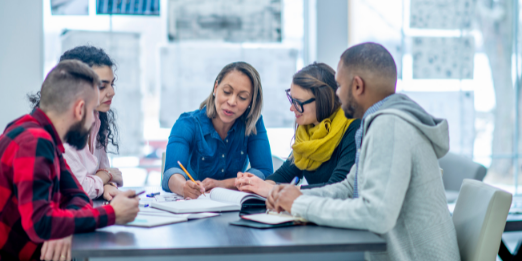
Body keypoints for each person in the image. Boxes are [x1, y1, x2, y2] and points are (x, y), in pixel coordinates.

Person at [267, 42, 461, 261]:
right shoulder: (381, 121)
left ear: (357, 86)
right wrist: (294, 196)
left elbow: (377, 215)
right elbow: (351, 186)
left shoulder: (390, 126)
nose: (336, 95)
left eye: (339, 86)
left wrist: (300, 204)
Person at [0, 60, 139, 261]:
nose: (95, 121)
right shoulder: (34, 142)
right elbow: (41, 224)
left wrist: (63, 225)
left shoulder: (43, 138)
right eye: (93, 111)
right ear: (79, 110)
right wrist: (112, 213)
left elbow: (78, 195)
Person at [235, 62, 360, 197]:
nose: (292, 108)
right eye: (291, 100)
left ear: (323, 100)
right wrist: (257, 184)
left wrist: (274, 190)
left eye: (298, 103)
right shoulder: (307, 129)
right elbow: (286, 173)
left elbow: (338, 188)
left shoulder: (353, 128)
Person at [162, 62, 273, 199]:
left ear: (250, 102)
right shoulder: (187, 124)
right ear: (215, 88)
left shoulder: (253, 123)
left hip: (234, 207)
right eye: (227, 92)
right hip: (195, 206)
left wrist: (224, 184)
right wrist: (183, 187)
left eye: (242, 97)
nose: (232, 102)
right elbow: (171, 173)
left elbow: (265, 171)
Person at [30, 46, 122, 200]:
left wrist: (105, 182)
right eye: (102, 86)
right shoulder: (57, 131)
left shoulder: (97, 119)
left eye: (112, 84)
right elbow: (77, 189)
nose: (112, 92)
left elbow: (107, 174)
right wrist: (105, 177)